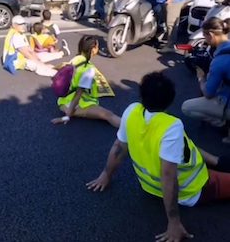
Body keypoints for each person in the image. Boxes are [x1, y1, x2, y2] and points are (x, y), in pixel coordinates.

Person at [87, 71, 230, 242]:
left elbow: (119, 147)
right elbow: (168, 175)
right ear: (170, 100)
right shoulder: (171, 126)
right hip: (192, 188)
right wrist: (174, 222)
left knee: (184, 145)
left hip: (150, 186)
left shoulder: (132, 111)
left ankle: (216, 161)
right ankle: (217, 164)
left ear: (142, 96)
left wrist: (106, 175)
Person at [51, 35, 121, 128]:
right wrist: (67, 116)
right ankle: (130, 130)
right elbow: (78, 94)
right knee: (108, 115)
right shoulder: (88, 69)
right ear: (93, 49)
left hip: (63, 101)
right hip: (74, 105)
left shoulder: (76, 59)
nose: (98, 49)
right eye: (97, 47)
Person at [182, 17, 230, 143]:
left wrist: (201, 77)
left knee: (186, 107)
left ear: (211, 35)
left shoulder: (220, 61)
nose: (206, 41)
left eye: (205, 37)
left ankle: (223, 121)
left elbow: (208, 93)